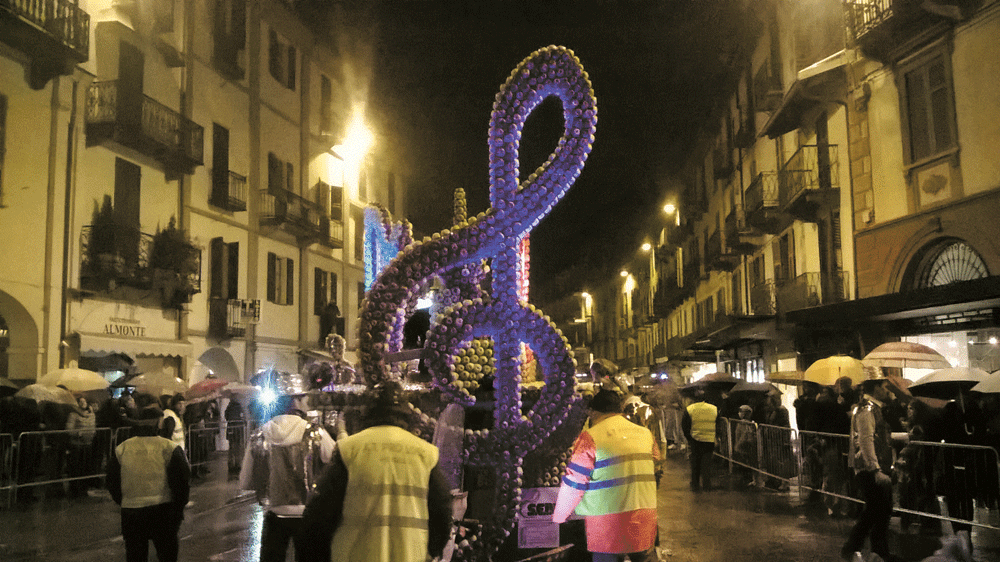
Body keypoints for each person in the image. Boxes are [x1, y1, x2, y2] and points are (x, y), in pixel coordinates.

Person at [297, 382, 452, 562]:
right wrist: (430, 551)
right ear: (407, 416)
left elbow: (320, 514)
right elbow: (442, 515)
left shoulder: (350, 449)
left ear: (366, 414)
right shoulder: (426, 454)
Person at [552, 389, 660, 562]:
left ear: (594, 412)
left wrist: (560, 516)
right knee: (645, 556)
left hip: (607, 520)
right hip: (643, 512)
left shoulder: (592, 436)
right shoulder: (645, 434)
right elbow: (656, 461)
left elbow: (575, 480)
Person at [240, 392, 336, 562]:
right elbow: (335, 460)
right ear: (296, 402)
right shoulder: (315, 432)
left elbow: (245, 480)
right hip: (308, 512)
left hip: (273, 513)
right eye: (304, 398)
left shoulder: (259, 435)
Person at [107, 405, 190, 562]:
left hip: (131, 512)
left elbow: (112, 480)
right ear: (158, 423)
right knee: (167, 554)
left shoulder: (123, 448)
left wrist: (124, 500)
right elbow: (182, 481)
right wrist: (178, 508)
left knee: (135, 555)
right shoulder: (169, 448)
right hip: (163, 509)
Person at [840, 377, 903, 562]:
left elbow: (878, 437)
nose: (886, 391)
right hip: (869, 469)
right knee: (876, 511)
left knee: (879, 511)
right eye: (883, 387)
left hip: (875, 468)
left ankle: (876, 550)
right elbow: (865, 440)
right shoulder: (866, 409)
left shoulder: (874, 408)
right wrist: (875, 470)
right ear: (875, 388)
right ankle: (856, 548)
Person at [682, 389, 718, 491]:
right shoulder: (714, 408)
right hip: (709, 440)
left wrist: (688, 438)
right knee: (706, 463)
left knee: (695, 463)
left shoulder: (690, 409)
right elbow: (718, 424)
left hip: (695, 439)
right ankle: (707, 485)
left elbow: (685, 425)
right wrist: (716, 437)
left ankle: (695, 483)